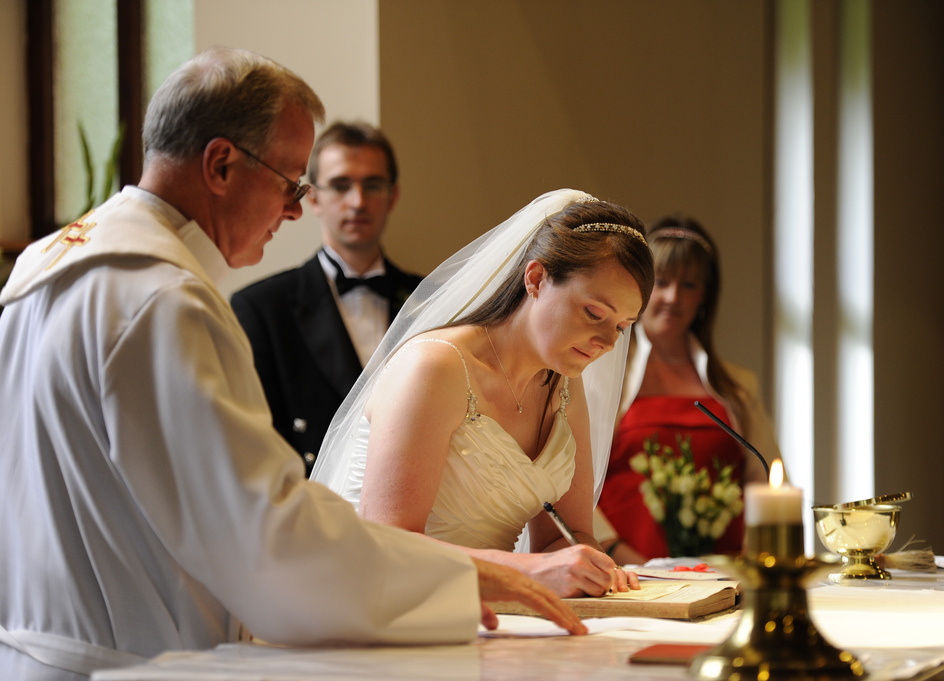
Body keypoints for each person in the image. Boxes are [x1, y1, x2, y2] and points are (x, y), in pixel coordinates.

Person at [0, 47, 583, 681]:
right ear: (221, 164)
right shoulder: (164, 300)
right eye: (290, 183)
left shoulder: (47, 271)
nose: (296, 210)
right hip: (134, 663)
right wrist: (467, 578)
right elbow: (266, 538)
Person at [312, 189, 654, 598]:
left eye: (621, 325)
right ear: (536, 279)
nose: (606, 341)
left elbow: (562, 537)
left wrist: (589, 567)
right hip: (379, 606)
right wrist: (533, 571)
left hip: (483, 611)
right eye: (594, 313)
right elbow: (389, 544)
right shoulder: (435, 367)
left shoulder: (563, 385)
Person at [231, 122, 420, 474]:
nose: (358, 201)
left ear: (392, 196)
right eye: (340, 185)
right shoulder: (260, 308)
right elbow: (252, 447)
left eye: (373, 185)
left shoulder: (431, 299)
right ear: (313, 197)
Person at [597, 217, 782, 561]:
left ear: (705, 296)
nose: (672, 297)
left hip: (724, 574)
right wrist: (620, 556)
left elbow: (766, 477)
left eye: (690, 285)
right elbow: (574, 484)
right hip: (627, 572)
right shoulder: (602, 379)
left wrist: (755, 552)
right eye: (662, 282)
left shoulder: (737, 385)